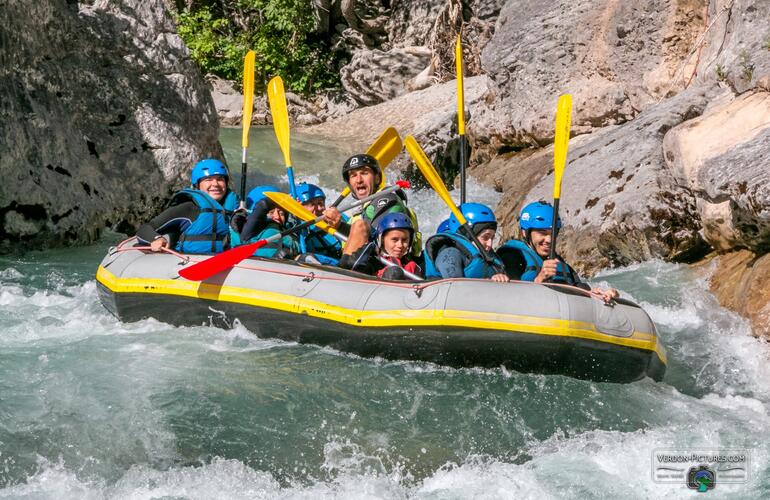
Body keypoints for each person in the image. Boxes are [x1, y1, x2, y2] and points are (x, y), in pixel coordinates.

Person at [497, 201, 619, 303]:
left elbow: (578, 289)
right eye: (542, 233)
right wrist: (539, 280)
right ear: (525, 233)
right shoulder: (512, 256)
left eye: (553, 234)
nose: (549, 240)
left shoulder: (560, 264)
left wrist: (599, 295)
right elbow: (508, 297)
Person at [322, 154, 422, 262]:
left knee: (360, 226)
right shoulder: (362, 210)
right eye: (353, 175)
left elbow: (379, 240)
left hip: (389, 267)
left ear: (377, 178)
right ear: (349, 184)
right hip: (361, 263)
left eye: (364, 173)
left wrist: (340, 226)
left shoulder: (387, 199)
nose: (359, 180)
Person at [136, 158, 239, 254]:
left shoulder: (237, 209)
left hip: (227, 262)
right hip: (190, 261)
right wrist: (156, 239)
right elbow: (145, 229)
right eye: (208, 179)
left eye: (220, 179)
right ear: (197, 185)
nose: (215, 184)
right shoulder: (188, 208)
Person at [422, 203, 509, 282]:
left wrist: (500, 278)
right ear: (468, 234)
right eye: (485, 237)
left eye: (492, 238)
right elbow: (456, 289)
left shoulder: (491, 258)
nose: (490, 244)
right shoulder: (450, 254)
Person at [338, 213, 422, 280]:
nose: (400, 245)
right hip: (368, 293)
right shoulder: (373, 261)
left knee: (395, 272)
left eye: (404, 240)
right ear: (382, 240)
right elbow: (356, 270)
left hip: (398, 296)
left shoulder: (413, 266)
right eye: (394, 240)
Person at [238, 185, 300, 259]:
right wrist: (282, 199)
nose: (277, 217)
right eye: (271, 212)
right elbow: (262, 206)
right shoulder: (250, 232)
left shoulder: (291, 233)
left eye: (281, 213)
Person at [293, 182, 345, 265]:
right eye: (312, 204)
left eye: (320, 203)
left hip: (344, 264)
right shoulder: (298, 227)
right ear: (300, 207)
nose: (319, 208)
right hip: (320, 267)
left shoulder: (337, 217)